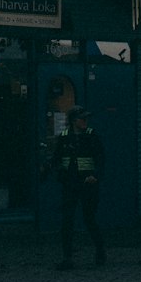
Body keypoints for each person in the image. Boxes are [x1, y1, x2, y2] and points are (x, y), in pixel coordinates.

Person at [50, 105, 106, 270]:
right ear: (74, 121)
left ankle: (100, 249)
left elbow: (101, 158)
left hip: (87, 183)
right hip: (70, 183)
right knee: (67, 220)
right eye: (82, 118)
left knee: (89, 219)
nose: (85, 121)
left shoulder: (91, 136)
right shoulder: (65, 137)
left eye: (86, 118)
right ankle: (67, 258)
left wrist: (95, 176)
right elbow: (57, 158)